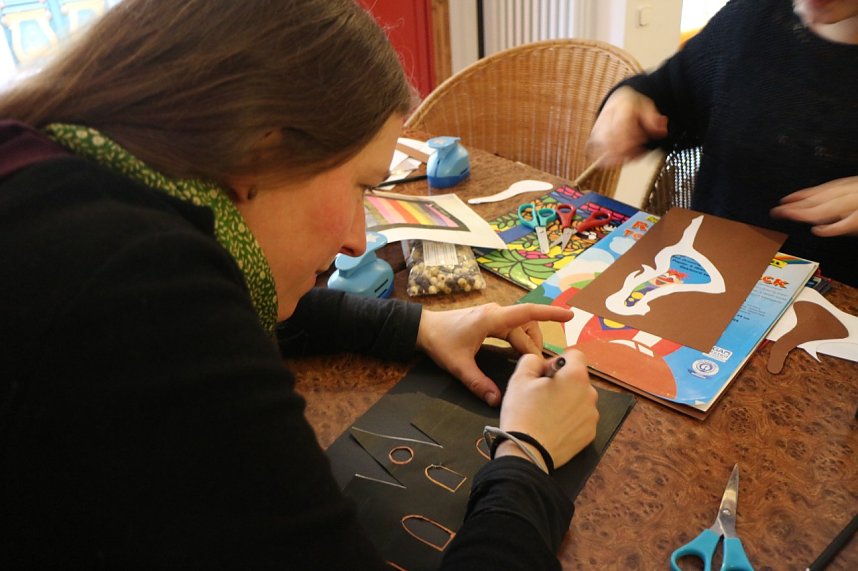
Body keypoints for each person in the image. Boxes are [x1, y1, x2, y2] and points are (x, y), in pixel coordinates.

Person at [0, 1, 599, 569]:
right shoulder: (135, 293)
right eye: (361, 187)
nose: (358, 242)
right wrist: (527, 456)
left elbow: (253, 310)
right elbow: (186, 321)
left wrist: (420, 323)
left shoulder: (55, 180)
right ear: (265, 149)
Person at [587, 0, 858, 287]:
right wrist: (630, 101)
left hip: (835, 300)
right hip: (709, 275)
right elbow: (668, 94)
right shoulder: (750, 17)